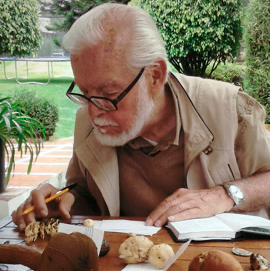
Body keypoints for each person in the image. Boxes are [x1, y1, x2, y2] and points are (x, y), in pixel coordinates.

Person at [12, 3, 270, 232]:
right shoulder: (87, 121)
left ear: (155, 75)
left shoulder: (230, 109)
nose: (94, 113)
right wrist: (61, 202)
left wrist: (226, 195)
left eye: (109, 94)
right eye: (85, 92)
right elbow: (85, 193)